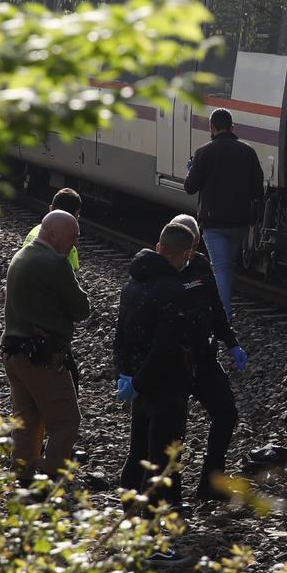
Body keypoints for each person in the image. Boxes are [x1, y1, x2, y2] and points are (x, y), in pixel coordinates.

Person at [113, 223, 199, 552]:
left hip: (139, 384)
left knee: (137, 452)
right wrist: (143, 379)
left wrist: (128, 376)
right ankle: (147, 536)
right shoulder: (172, 289)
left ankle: (128, 516)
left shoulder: (133, 282)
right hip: (166, 387)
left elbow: (120, 336)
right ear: (182, 253)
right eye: (187, 255)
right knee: (159, 460)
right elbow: (166, 347)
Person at [1, 209, 89, 483]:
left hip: (14, 353)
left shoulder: (21, 256)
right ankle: (51, 477)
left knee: (27, 419)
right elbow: (81, 309)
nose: (74, 244)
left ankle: (23, 476)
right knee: (66, 421)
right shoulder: (54, 264)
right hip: (42, 357)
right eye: (71, 238)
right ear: (51, 234)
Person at [166, 213, 246, 504]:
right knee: (173, 428)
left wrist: (232, 343)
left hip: (203, 358)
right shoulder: (162, 269)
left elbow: (214, 307)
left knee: (225, 413)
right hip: (172, 363)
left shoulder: (200, 265)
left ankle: (211, 483)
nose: (191, 252)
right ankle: (170, 494)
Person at [182, 107, 263, 321]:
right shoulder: (248, 152)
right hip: (239, 221)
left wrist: (191, 170)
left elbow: (190, 187)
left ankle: (224, 315)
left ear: (212, 127)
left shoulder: (203, 152)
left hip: (213, 221)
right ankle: (223, 311)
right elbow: (257, 190)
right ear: (232, 127)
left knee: (221, 267)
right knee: (228, 266)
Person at [22, 187, 83, 270]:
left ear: (50, 208)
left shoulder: (34, 230)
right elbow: (71, 278)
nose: (76, 243)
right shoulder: (66, 243)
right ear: (76, 214)